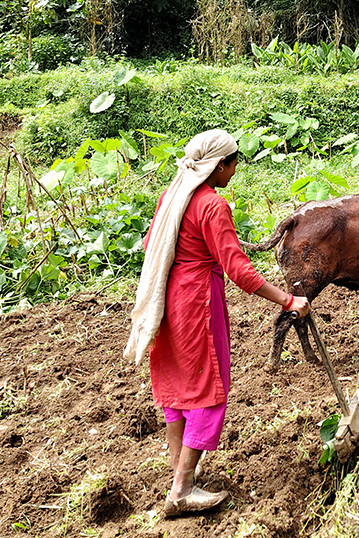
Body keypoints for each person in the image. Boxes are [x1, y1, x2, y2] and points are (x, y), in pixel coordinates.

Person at [124, 129, 310, 518]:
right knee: (208, 387)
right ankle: (182, 489)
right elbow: (239, 270)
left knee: (177, 388)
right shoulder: (212, 205)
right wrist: (288, 299)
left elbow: (151, 245)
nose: (236, 168)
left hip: (168, 301)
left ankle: (180, 477)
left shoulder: (174, 195)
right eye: (234, 161)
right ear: (219, 165)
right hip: (196, 305)